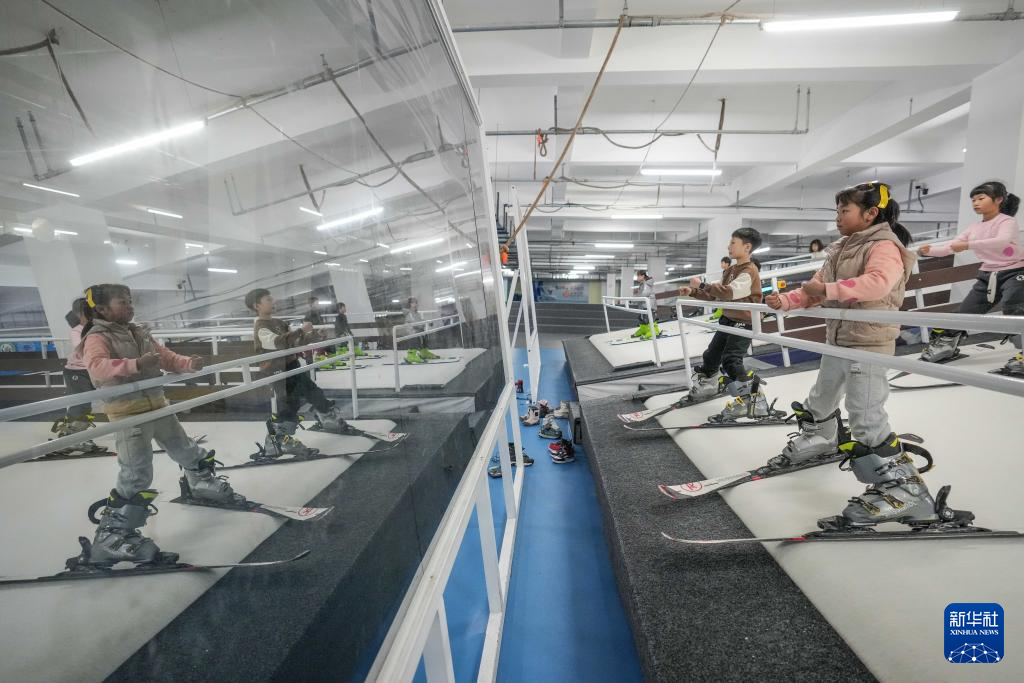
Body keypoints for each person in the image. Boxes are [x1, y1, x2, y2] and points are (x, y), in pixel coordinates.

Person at [765, 181, 959, 530]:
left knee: (865, 415)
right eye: (837, 210)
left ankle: (906, 491)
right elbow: (815, 288)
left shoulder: (884, 246)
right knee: (821, 396)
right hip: (839, 339)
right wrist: (787, 301)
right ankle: (823, 438)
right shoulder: (841, 249)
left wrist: (827, 289)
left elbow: (878, 283)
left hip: (869, 343)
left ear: (870, 214)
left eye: (844, 210)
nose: (838, 217)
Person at [79, 283, 240, 565]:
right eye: (122, 302)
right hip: (128, 414)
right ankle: (112, 536)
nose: (130, 306)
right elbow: (97, 369)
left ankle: (201, 483)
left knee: (185, 448)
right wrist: (135, 364)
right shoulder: (96, 337)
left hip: (157, 405)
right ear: (102, 309)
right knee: (136, 473)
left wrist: (188, 363)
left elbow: (165, 357)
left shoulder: (138, 332)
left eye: (130, 301)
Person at [917, 180, 1022, 376]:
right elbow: (951, 246)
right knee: (966, 312)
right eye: (973, 200)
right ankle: (946, 346)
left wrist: (968, 245)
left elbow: (1002, 241)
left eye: (981, 198)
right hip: (988, 274)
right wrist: (929, 251)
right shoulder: (974, 227)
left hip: (1016, 271)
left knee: (1014, 308)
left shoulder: (1006, 221)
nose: (976, 203)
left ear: (999, 200)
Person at [246, 288, 355, 457]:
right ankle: (277, 440)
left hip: (292, 365)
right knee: (289, 402)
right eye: (268, 299)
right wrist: (301, 331)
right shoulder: (260, 327)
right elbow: (279, 343)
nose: (273, 302)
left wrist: (314, 336)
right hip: (277, 370)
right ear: (256, 305)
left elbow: (295, 341)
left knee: (313, 391)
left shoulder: (279, 322)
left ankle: (327, 418)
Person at [678, 228, 765, 417]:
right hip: (728, 319)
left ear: (747, 247)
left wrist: (701, 284)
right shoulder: (731, 270)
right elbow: (716, 295)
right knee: (711, 355)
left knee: (731, 360)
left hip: (744, 321)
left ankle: (754, 400)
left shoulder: (749, 271)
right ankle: (710, 385)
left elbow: (728, 293)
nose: (728, 246)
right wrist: (693, 292)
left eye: (733, 243)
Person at [51, 297, 103, 453]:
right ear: (80, 314)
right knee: (81, 405)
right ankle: (68, 439)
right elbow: (81, 349)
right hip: (76, 372)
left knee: (86, 406)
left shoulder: (96, 327)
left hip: (90, 371)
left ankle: (76, 435)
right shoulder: (77, 330)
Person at [402, 297, 440, 363]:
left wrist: (427, 322)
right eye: (413, 302)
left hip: (417, 329)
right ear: (409, 304)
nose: (415, 304)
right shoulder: (409, 313)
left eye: (416, 302)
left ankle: (424, 352)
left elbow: (419, 320)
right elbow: (413, 322)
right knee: (416, 337)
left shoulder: (415, 312)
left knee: (425, 335)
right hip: (411, 331)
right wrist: (421, 325)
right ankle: (411, 356)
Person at [629, 270, 660, 340]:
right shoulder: (642, 284)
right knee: (642, 318)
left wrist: (633, 299)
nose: (637, 278)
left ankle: (654, 331)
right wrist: (634, 298)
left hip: (649, 305)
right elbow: (640, 294)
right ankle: (644, 330)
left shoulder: (646, 284)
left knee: (649, 318)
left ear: (643, 276)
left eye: (638, 276)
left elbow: (644, 294)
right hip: (643, 305)